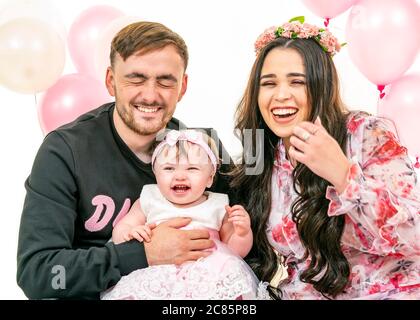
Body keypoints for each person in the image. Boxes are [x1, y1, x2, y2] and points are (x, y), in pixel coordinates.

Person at [17, 21, 233, 299]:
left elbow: (252, 227)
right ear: (110, 81)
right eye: (136, 78)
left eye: (166, 81)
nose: (150, 95)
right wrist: (142, 253)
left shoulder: (201, 149)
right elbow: (39, 274)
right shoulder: (65, 151)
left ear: (183, 87)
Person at [230, 17, 420, 300]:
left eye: (298, 82)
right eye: (268, 83)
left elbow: (414, 235)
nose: (281, 95)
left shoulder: (365, 136)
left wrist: (344, 176)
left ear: (322, 86)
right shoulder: (262, 159)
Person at [101, 129, 266, 300]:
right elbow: (122, 229)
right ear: (156, 174)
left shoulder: (218, 205)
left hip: (206, 273)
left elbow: (235, 250)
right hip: (157, 270)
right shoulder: (149, 199)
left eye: (192, 168)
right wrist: (131, 234)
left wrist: (242, 232)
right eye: (169, 168)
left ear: (210, 178)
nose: (180, 176)